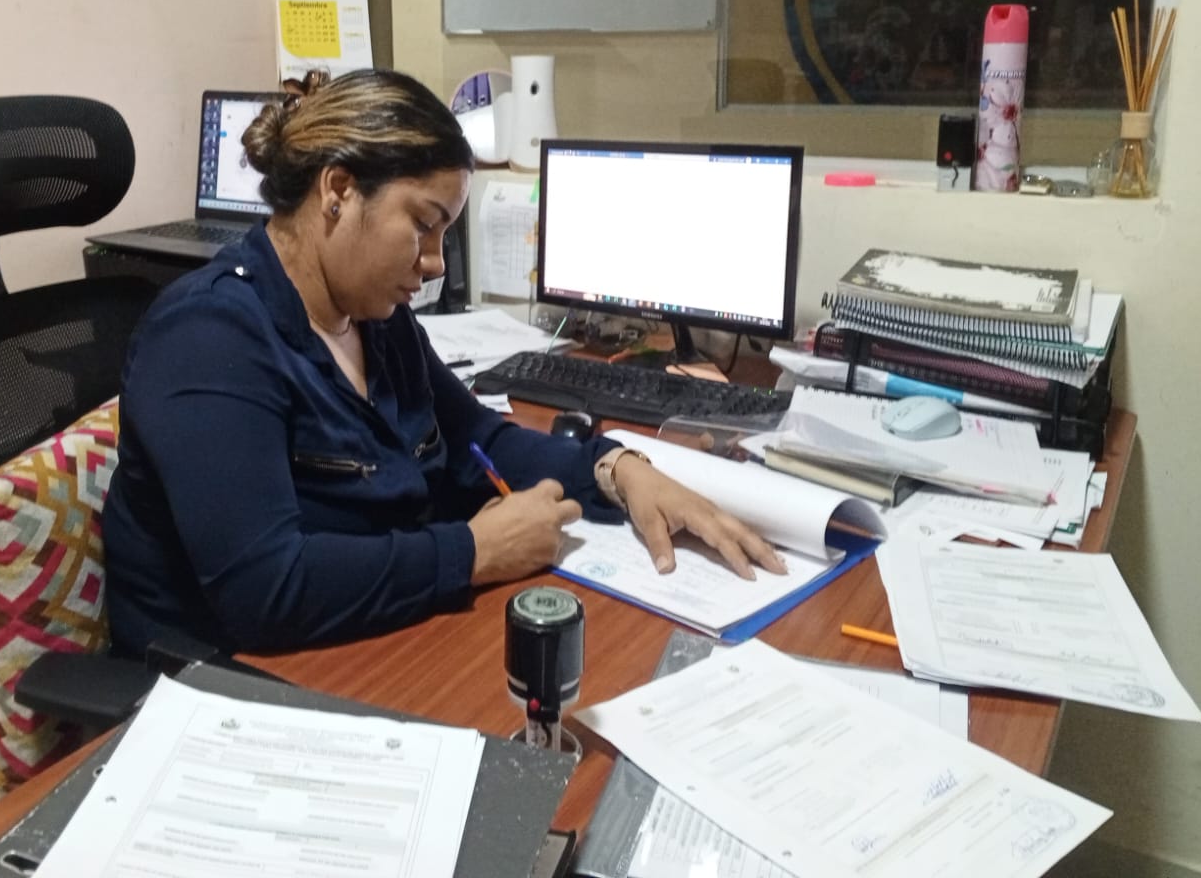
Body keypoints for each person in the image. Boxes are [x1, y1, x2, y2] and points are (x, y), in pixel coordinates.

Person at [103, 68, 783, 657]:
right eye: (424, 225)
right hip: (227, 679)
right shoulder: (208, 339)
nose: (434, 264)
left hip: (370, 635)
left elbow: (477, 440)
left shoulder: (375, 319)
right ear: (338, 190)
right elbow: (265, 588)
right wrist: (474, 552)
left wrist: (617, 469)